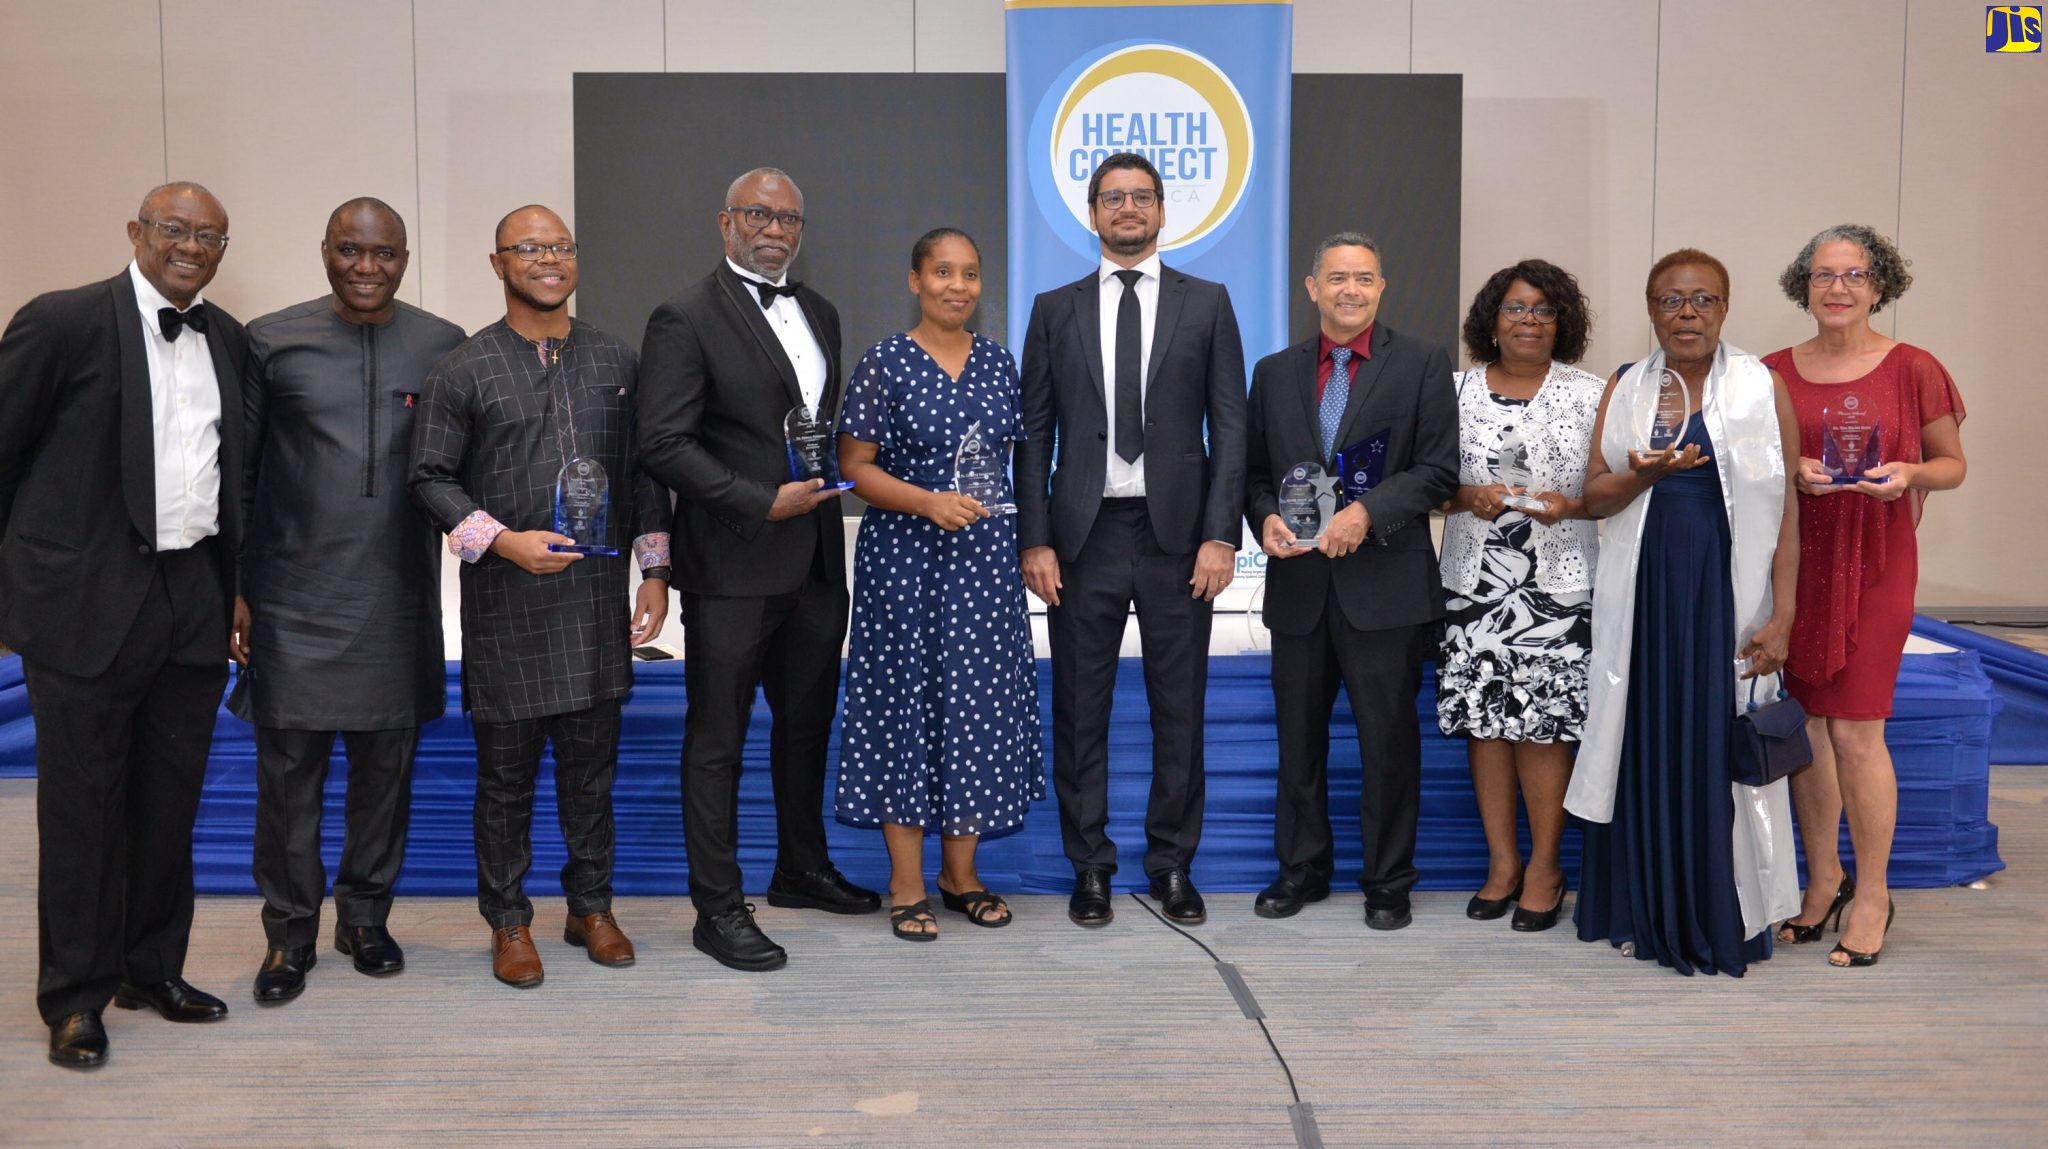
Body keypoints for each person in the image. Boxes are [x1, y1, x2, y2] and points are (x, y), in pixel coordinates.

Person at [0, 183, 246, 1067]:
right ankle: (75, 995)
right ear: (136, 232)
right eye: (174, 229)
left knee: (169, 805)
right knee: (82, 810)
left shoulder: (228, 339)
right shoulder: (60, 323)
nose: (191, 246)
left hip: (190, 602)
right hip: (83, 606)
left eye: (209, 235)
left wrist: (235, 592)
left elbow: (233, 477)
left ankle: (152, 968)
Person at [410, 205, 672, 988]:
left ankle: (591, 907)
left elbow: (643, 475)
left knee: (592, 777)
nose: (549, 259)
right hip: (506, 608)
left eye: (561, 246)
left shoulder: (617, 360)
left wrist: (655, 571)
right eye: (530, 248)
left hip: (593, 607)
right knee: (506, 783)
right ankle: (508, 919)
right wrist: (503, 540)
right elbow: (429, 478)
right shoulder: (463, 368)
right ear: (498, 264)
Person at [638, 167, 880, 973]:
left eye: (789, 219)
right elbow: (662, 442)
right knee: (718, 738)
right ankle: (717, 906)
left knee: (806, 726)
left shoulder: (822, 312)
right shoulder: (684, 316)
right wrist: (756, 500)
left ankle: (800, 868)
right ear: (726, 222)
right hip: (732, 562)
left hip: (816, 561)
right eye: (758, 214)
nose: (775, 229)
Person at [236, 198, 465, 1003]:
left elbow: (461, 469)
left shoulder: (443, 344)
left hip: (397, 595)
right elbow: (241, 473)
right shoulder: (269, 340)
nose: (367, 267)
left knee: (385, 776)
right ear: (325, 251)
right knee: (288, 783)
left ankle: (365, 918)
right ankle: (289, 933)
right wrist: (236, 587)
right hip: (291, 597)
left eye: (384, 254)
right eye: (349, 250)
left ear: (405, 258)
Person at [1015, 152, 1246, 928]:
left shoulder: (1207, 302)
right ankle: (1090, 867)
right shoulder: (1054, 308)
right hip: (1084, 537)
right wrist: (1035, 539)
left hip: (1180, 538)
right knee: (1081, 710)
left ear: (1162, 211)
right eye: (1112, 197)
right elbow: (1033, 433)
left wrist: (1221, 534)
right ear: (1092, 213)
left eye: (1141, 196)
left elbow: (1231, 426)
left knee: (1179, 710)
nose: (1127, 208)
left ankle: (1173, 864)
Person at [1568, 249, 1802, 977]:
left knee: (1712, 741)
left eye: (1704, 299)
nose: (1688, 313)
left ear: (1725, 308)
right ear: (1651, 309)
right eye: (1671, 299)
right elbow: (1593, 497)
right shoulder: (1626, 386)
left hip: (1727, 600)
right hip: (1644, 595)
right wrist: (1644, 474)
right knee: (1642, 736)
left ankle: (1716, 909)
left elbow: (1788, 512)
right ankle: (1640, 907)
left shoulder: (1762, 386)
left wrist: (1784, 615)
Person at [1764, 224, 1966, 968]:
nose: (1838, 288)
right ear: (1804, 286)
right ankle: (1825, 879)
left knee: (1856, 732)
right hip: (1793, 565)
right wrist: (1790, 469)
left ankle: (1874, 893)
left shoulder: (1915, 367)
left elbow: (1952, 465)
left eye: (1854, 275)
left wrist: (1910, 473)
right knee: (1808, 730)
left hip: (1877, 562)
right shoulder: (1771, 371)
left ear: (1880, 285)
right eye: (1823, 275)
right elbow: (1747, 466)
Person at [833, 228, 1044, 941]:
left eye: (971, 274)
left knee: (976, 710)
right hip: (905, 562)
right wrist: (926, 502)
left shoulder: (1000, 364)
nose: (958, 286)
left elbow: (1013, 467)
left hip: (984, 567)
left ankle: (962, 876)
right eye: (943, 272)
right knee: (905, 710)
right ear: (915, 280)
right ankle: (906, 883)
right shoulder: (884, 363)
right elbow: (854, 468)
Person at [1244, 233, 1458, 930]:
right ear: (1313, 288)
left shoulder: (1422, 362)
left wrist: (1368, 512)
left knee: (1388, 747)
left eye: (1364, 278)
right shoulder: (1274, 373)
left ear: (1381, 287)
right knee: (1298, 744)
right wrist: (1265, 516)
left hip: (1386, 589)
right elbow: (1253, 473)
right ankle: (1301, 870)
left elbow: (1438, 470)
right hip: (1300, 589)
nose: (1351, 290)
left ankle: (1388, 881)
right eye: (1337, 278)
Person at [1436, 260, 1603, 933]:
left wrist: (1575, 505)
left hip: (1557, 585)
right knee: (1485, 724)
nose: (1528, 320)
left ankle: (1546, 868)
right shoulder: (1453, 391)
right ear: (1492, 319)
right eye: (1515, 308)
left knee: (1543, 727)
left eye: (1543, 309)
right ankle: (1503, 863)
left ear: (1562, 323)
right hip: (1475, 582)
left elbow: (1612, 487)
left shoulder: (1592, 394)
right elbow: (1427, 484)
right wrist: (1464, 495)